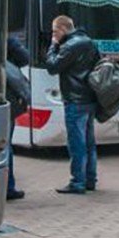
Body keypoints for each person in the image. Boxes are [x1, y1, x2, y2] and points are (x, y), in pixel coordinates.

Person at [44, 15, 101, 195]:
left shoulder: (69, 46)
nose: (54, 35)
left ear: (62, 29)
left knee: (76, 143)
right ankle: (90, 179)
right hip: (90, 99)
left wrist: (53, 44)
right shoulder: (90, 42)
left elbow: (52, 66)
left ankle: (77, 182)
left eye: (55, 31)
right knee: (89, 142)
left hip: (75, 100)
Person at [5, 34, 32, 201]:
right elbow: (25, 58)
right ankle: (8, 187)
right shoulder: (6, 38)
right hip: (5, 96)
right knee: (6, 144)